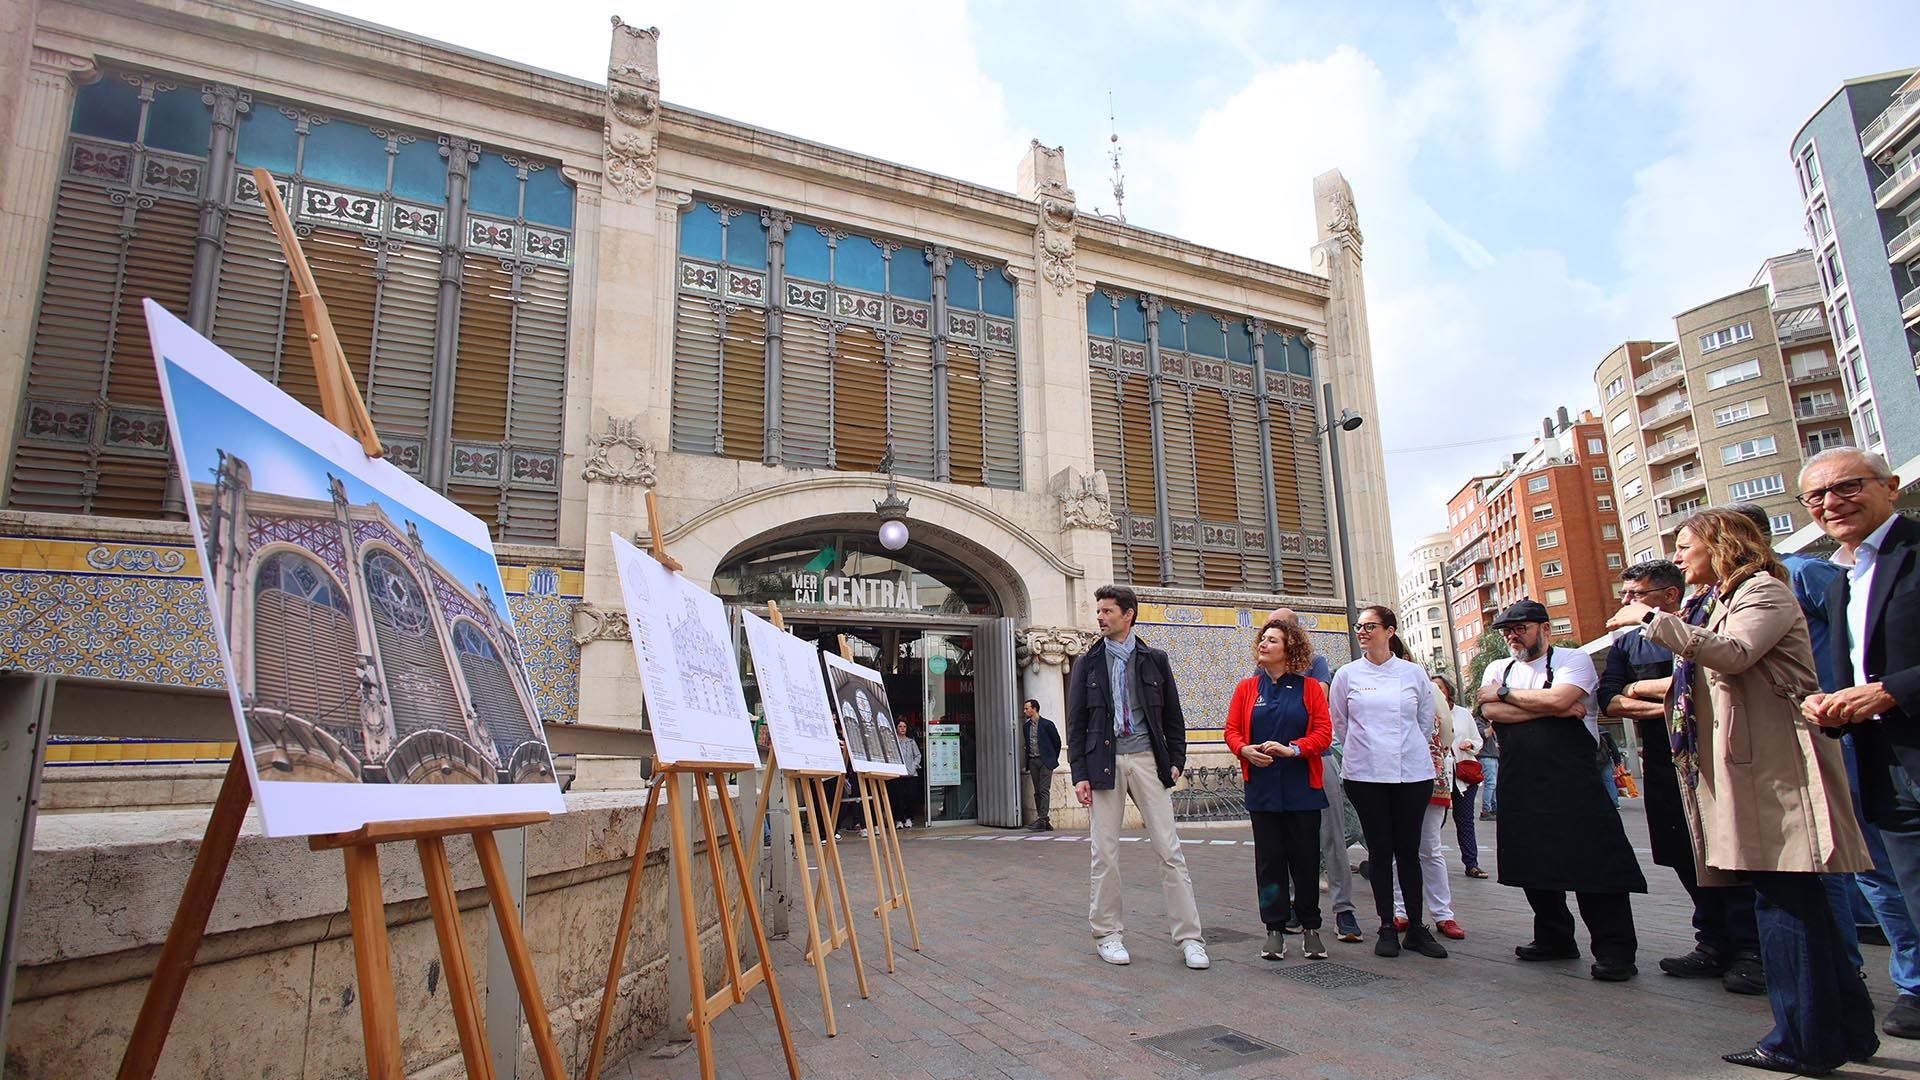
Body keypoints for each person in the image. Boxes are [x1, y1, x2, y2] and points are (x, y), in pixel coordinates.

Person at [1613, 507, 1874, 1073]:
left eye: (1686, 546)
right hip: (1749, 765)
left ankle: (1801, 1042)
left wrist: (1649, 617)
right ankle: (1848, 1032)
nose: (1678, 558)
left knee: (1786, 909)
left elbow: (1731, 655)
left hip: (1774, 769)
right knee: (1791, 905)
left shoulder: (1764, 592)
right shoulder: (1718, 602)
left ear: (1721, 543)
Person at [1799, 447, 1920, 1042]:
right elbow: (1855, 667)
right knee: (1901, 882)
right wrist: (1833, 701)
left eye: (1846, 487)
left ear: (1890, 486)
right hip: (1880, 759)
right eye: (1816, 497)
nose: (1830, 504)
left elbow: (1886, 677)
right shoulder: (1846, 576)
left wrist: (1890, 691)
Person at [1599, 559, 1763, 994]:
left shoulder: (1704, 627)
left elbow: (1709, 679)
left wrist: (1647, 690)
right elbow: (1611, 700)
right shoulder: (1628, 645)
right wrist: (1671, 698)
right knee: (1680, 851)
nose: (1627, 603)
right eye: (1626, 595)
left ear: (1669, 596)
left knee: (1727, 851)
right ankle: (1711, 941)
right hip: (1662, 761)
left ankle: (1751, 949)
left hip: (1713, 759)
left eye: (1637, 595)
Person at [1478, 598, 1646, 982]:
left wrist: (1508, 696)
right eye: (1507, 631)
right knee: (1533, 864)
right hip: (1521, 780)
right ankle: (1554, 938)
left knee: (1596, 867)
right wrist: (1549, 707)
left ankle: (1615, 951)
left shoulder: (1573, 661)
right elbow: (1491, 712)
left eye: (1520, 628)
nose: (1512, 636)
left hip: (1573, 783)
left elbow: (1560, 699)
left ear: (1544, 628)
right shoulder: (1497, 666)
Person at [1067, 584, 1209, 970]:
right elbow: (1076, 722)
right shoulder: (1087, 662)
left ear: (1128, 614)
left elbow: (1173, 717)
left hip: (1147, 760)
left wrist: (1176, 759)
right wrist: (1079, 773)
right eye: (1098, 611)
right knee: (1105, 854)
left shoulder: (1154, 660)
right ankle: (1107, 934)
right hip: (1104, 764)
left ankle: (1190, 938)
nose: (1100, 617)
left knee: (1169, 850)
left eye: (1107, 611)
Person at [1328, 605, 1448, 959]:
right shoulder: (1347, 675)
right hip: (1365, 774)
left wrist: (1404, 750)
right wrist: (1368, 752)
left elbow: (1425, 721)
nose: (1362, 631)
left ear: (1390, 631)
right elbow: (1342, 724)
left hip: (1411, 773)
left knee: (1409, 851)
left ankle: (1416, 926)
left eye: (1370, 626)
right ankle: (1385, 926)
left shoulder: (1413, 674)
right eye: (1359, 626)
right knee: (1379, 851)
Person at [1225, 618, 1331, 962]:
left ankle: (1311, 928)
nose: (1263, 645)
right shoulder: (1246, 688)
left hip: (1302, 787)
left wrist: (1294, 749)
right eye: (1262, 639)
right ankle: (1274, 929)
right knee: (1269, 863)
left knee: (1304, 861)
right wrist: (1244, 750)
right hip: (1263, 790)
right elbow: (1231, 731)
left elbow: (1323, 733)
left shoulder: (1310, 689)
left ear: (1289, 648)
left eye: (1272, 640)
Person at [1270, 606, 1362, 943]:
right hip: (1280, 764)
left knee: (1332, 836)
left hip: (1315, 757)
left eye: (1276, 630)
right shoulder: (1261, 673)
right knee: (1289, 839)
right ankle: (1296, 905)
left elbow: (1315, 704)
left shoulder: (1316, 664)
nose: (1268, 637)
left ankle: (1344, 910)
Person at [1392, 674, 1479, 939]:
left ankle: (1443, 913)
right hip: (1393, 776)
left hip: (1431, 775)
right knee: (1400, 847)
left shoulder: (1427, 691)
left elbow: (1445, 734)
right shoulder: (1386, 692)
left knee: (1429, 847)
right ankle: (1401, 910)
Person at [1435, 675, 1488, 881]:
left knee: (1465, 820)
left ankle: (1471, 863)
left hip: (1463, 776)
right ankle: (1430, 860)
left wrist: (1469, 744)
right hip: (1439, 775)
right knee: (1436, 820)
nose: (1436, 690)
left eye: (1440, 687)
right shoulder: (1428, 713)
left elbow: (1478, 741)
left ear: (1448, 690)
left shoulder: (1463, 714)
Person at [1022, 698, 1062, 831]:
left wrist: (1051, 759)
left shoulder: (1047, 724)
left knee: (1044, 790)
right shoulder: (1025, 727)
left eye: (1027, 708)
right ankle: (1044, 820)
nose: (1025, 711)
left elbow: (1057, 742)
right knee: (1037, 791)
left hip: (1045, 761)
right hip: (1033, 761)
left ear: (1034, 709)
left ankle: (1042, 819)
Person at [889, 719, 923, 828]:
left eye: (904, 726)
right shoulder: (892, 742)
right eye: (900, 726)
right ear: (896, 728)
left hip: (911, 774)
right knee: (897, 798)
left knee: (911, 797)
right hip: (897, 774)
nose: (902, 729)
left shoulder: (911, 741)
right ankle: (899, 819)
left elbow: (918, 755)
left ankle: (909, 818)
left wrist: (914, 766)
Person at [1476, 709, 1499, 820]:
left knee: (1494, 785)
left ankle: (1494, 809)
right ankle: (1486, 810)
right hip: (1486, 756)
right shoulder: (1479, 723)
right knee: (1490, 784)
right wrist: (1495, 723)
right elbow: (1485, 734)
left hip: (1493, 756)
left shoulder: (1487, 723)